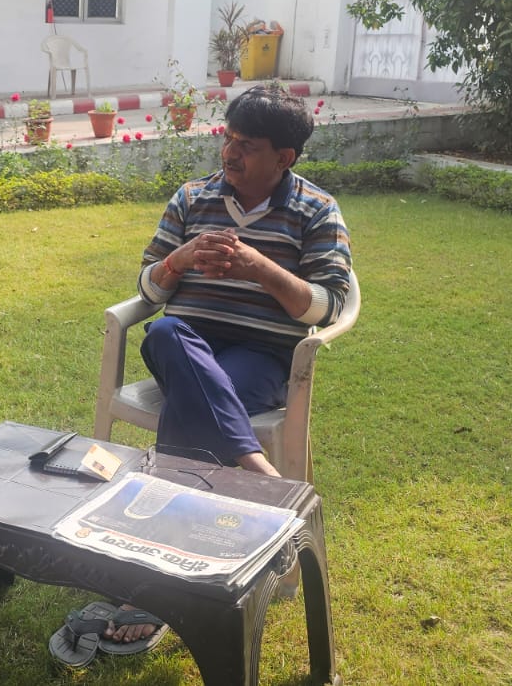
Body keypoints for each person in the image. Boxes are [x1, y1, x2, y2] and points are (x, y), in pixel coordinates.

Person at [60, 85, 353, 657]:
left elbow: (327, 305)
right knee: (166, 331)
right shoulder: (193, 197)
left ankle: (150, 584)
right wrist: (180, 260)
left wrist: (260, 267)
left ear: (284, 157)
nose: (229, 152)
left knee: (190, 413)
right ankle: (257, 471)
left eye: (247, 145)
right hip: (183, 345)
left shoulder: (316, 209)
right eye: (228, 137)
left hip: (260, 357)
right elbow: (148, 287)